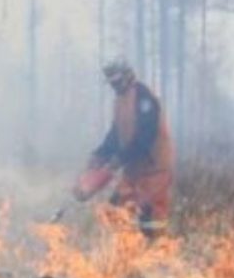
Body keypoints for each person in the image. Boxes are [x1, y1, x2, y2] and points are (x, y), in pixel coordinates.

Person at [72, 60, 174, 235]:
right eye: (111, 82)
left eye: (117, 81)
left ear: (128, 76)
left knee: (150, 218)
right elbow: (115, 134)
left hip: (154, 169)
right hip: (133, 168)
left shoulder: (144, 98)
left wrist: (119, 160)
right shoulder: (120, 100)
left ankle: (155, 253)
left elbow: (144, 138)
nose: (114, 86)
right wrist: (100, 154)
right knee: (117, 208)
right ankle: (124, 252)